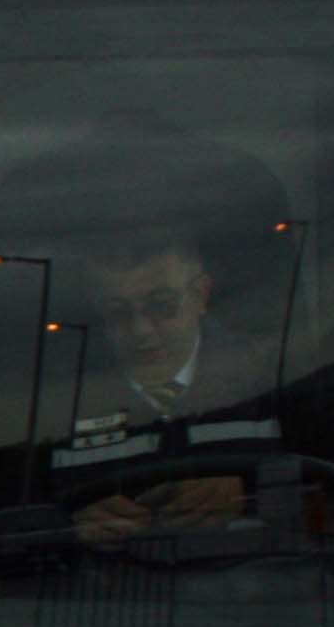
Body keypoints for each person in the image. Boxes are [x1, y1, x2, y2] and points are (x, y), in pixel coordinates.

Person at [62, 228, 258, 549]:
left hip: (257, 587)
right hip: (107, 592)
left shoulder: (270, 381)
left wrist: (249, 494)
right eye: (118, 312)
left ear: (200, 296)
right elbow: (12, 515)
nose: (141, 330)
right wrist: (72, 526)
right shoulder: (59, 399)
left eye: (162, 305)